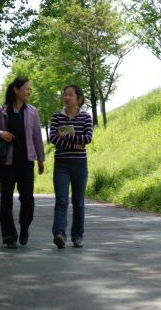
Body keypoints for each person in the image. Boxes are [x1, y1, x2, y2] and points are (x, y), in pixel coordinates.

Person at [0, 76, 45, 249]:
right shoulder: (0, 111)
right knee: (6, 200)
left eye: (29, 89)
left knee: (28, 200)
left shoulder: (32, 111)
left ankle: (24, 227)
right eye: (26, 88)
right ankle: (10, 237)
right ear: (16, 90)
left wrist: (40, 159)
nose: (29, 91)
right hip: (7, 161)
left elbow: (36, 137)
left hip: (26, 161)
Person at [49, 84, 93, 249]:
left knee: (78, 202)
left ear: (79, 99)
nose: (66, 98)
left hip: (80, 165)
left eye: (70, 95)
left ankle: (77, 236)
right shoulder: (56, 117)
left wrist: (66, 136)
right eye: (64, 95)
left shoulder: (86, 117)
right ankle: (59, 234)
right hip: (62, 164)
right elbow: (53, 138)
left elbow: (87, 138)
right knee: (61, 200)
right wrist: (75, 144)